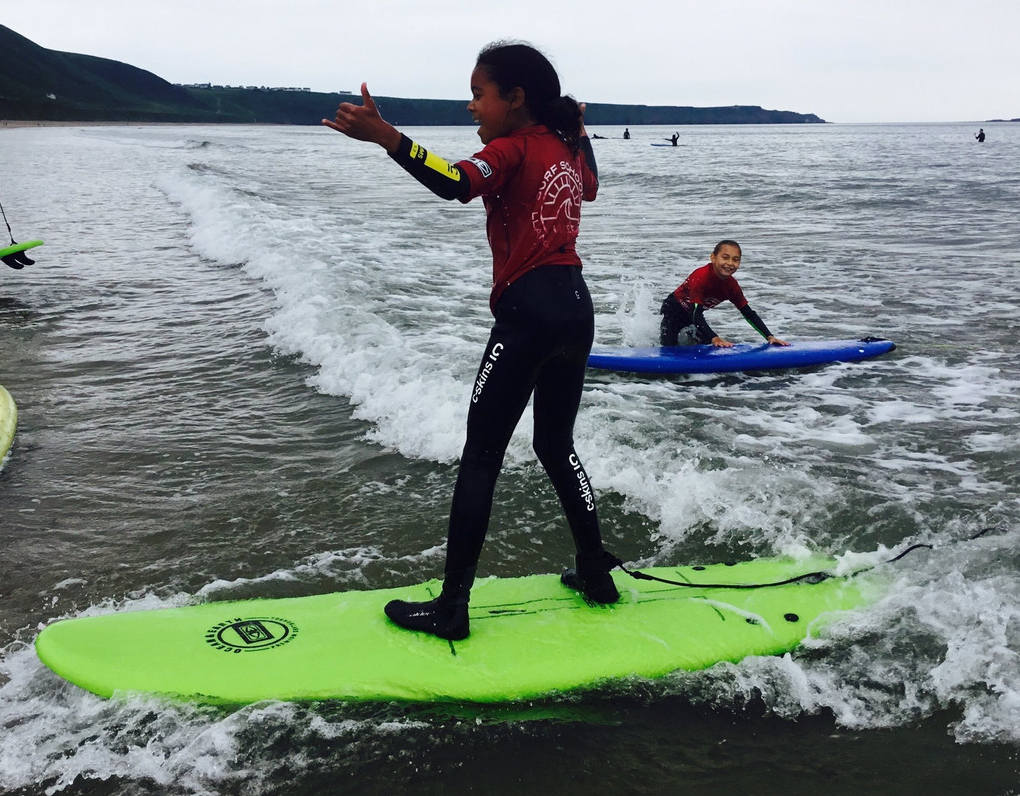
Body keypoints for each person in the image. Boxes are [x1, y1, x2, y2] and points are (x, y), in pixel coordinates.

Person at [323, 41, 618, 640]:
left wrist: (389, 138)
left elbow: (456, 182)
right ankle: (595, 572)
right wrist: (580, 129)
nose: (471, 107)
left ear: (515, 99)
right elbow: (589, 186)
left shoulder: (508, 149)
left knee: (482, 454)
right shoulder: (565, 146)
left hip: (529, 314)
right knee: (556, 445)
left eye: (480, 95)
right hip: (576, 308)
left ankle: (452, 606)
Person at [659, 240, 790, 348]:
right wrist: (714, 338)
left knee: (704, 346)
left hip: (693, 316)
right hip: (673, 309)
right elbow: (695, 313)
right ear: (713, 258)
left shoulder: (731, 286)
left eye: (735, 260)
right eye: (725, 257)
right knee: (670, 347)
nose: (730, 264)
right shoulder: (701, 276)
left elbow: (748, 313)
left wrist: (769, 336)